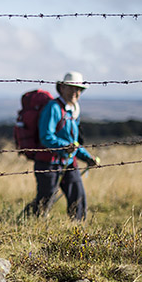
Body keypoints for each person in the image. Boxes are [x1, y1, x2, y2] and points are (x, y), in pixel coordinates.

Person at [24, 71, 98, 220]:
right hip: (48, 163)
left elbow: (74, 142)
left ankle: (77, 230)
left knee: (78, 196)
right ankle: (31, 221)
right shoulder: (53, 108)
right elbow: (46, 137)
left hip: (68, 162)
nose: (74, 92)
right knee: (45, 199)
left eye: (78, 89)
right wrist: (65, 146)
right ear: (62, 88)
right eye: (70, 88)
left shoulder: (72, 111)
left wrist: (87, 158)